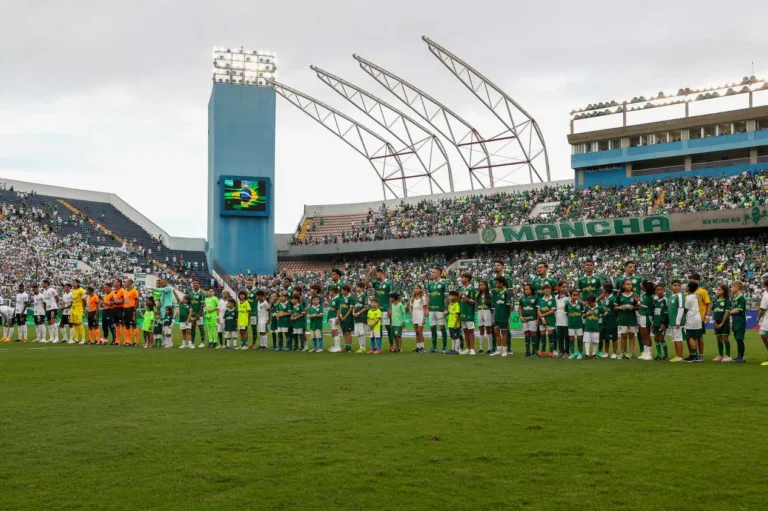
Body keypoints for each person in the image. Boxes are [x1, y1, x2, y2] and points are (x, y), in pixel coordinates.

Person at [366, 267, 393, 351]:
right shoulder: (376, 283)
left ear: (381, 273)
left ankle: (391, 345)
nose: (375, 276)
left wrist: (390, 309)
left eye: (376, 274)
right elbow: (366, 283)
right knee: (379, 329)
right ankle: (378, 347)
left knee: (389, 328)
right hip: (377, 310)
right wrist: (369, 273)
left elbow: (391, 297)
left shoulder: (389, 283)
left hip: (385, 309)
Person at [689, 273, 711, 361]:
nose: (691, 282)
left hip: (699, 317)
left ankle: (701, 355)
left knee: (699, 336)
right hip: (690, 318)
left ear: (697, 281)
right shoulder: (688, 291)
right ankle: (692, 354)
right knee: (690, 337)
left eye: (692, 280)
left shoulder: (702, 291)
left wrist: (707, 316)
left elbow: (708, 304)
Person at [615, 279, 638, 359]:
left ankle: (631, 352)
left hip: (632, 319)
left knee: (631, 335)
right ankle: (622, 352)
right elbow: (615, 307)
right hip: (622, 319)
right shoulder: (619, 295)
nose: (629, 286)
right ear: (623, 286)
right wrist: (621, 307)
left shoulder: (634, 295)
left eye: (630, 284)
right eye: (627, 284)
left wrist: (633, 307)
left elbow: (638, 307)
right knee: (623, 336)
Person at [427, 266, 449, 353]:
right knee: (432, 328)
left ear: (439, 273)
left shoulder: (444, 283)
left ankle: (444, 347)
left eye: (433, 272)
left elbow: (447, 298)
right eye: (431, 272)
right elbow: (429, 297)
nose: (432, 273)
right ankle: (434, 347)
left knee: (442, 327)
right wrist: (427, 308)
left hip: (440, 309)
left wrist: (446, 309)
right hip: (432, 309)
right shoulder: (430, 284)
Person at [490, 276, 512, 357]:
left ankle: (504, 350)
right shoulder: (497, 292)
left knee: (504, 332)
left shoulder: (506, 292)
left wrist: (508, 316)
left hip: (503, 315)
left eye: (497, 283)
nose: (496, 285)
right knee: (496, 331)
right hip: (497, 314)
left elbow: (508, 306)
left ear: (501, 283)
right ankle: (498, 350)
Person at [683, 282, 703, 363]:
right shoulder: (696, 296)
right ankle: (694, 355)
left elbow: (686, 309)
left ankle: (694, 355)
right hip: (697, 318)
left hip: (691, 318)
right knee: (696, 337)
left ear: (688, 288)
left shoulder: (688, 297)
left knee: (691, 337)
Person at [667, 279, 686, 363]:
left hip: (677, 322)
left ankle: (679, 356)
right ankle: (677, 355)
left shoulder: (680, 296)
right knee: (675, 339)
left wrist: (678, 321)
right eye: (675, 285)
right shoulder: (671, 296)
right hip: (672, 321)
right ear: (671, 286)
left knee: (678, 339)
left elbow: (681, 308)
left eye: (678, 285)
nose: (677, 287)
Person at [712, 284, 732, 362]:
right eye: (717, 289)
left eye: (719, 290)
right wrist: (714, 321)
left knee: (725, 338)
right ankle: (720, 355)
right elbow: (713, 312)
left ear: (724, 291)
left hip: (724, 322)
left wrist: (722, 323)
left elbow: (727, 313)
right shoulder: (715, 301)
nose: (717, 291)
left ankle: (728, 355)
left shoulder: (727, 301)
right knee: (718, 338)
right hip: (716, 322)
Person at [458, 273, 476, 355]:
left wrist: (464, 297)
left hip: (469, 313)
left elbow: (473, 302)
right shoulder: (461, 288)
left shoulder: (472, 289)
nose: (461, 279)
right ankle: (468, 348)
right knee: (465, 331)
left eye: (462, 277)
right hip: (463, 312)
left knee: (470, 331)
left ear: (467, 279)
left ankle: (472, 349)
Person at [637, 281, 656, 361]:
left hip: (646, 316)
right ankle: (645, 352)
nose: (640, 285)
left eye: (641, 285)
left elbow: (644, 307)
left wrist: (637, 301)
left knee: (646, 335)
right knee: (643, 335)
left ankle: (649, 354)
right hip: (643, 316)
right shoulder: (646, 295)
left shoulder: (647, 296)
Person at [536, 283, 556, 357]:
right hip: (542, 320)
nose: (547, 290)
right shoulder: (540, 299)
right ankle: (543, 351)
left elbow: (553, 310)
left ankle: (551, 352)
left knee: (550, 336)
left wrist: (543, 315)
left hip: (550, 320)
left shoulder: (552, 299)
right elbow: (538, 309)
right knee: (542, 336)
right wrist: (542, 318)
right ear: (543, 290)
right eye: (545, 289)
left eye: (549, 288)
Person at [729, 281, 747, 363]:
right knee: (737, 339)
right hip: (736, 321)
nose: (731, 288)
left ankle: (742, 357)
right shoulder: (735, 298)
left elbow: (738, 310)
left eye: (732, 287)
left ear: (737, 287)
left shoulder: (741, 298)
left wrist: (727, 313)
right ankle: (739, 356)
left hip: (740, 321)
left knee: (740, 339)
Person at [598, 283, 617, 358]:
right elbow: (604, 309)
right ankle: (606, 352)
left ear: (606, 290)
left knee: (614, 338)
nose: (602, 290)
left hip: (612, 322)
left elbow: (615, 310)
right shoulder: (605, 298)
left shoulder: (613, 298)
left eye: (603, 289)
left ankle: (614, 353)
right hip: (605, 321)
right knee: (606, 338)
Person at [519, 283, 538, 357]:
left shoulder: (535, 298)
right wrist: (521, 317)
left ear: (531, 290)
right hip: (524, 319)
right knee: (526, 334)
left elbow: (538, 309)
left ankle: (534, 351)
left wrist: (537, 319)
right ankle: (527, 351)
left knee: (533, 334)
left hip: (532, 319)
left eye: (527, 289)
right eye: (524, 289)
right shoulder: (522, 298)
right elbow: (520, 308)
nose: (525, 290)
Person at [565, 289, 584, 359]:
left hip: (579, 324)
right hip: (571, 325)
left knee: (579, 339)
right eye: (574, 295)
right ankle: (572, 353)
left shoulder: (580, 303)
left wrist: (576, 316)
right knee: (571, 339)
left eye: (577, 295)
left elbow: (582, 312)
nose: (575, 297)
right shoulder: (567, 303)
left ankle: (580, 353)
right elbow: (566, 313)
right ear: (570, 295)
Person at [474, 281, 492, 354]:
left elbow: (492, 305)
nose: (481, 286)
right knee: (481, 330)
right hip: (479, 311)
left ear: (486, 286)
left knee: (488, 330)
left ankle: (489, 348)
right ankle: (481, 348)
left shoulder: (489, 295)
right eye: (480, 285)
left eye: (483, 285)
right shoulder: (477, 294)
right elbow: (476, 304)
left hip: (487, 311)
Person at [652, 284, 669, 360]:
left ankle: (666, 356)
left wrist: (663, 323)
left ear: (664, 291)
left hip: (662, 324)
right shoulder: (655, 301)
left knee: (661, 339)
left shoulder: (665, 300)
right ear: (655, 291)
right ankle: (659, 355)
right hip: (655, 323)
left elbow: (666, 313)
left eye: (661, 290)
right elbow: (654, 313)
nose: (659, 291)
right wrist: (652, 322)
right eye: (658, 290)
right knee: (656, 339)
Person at [189, 280, 207, 348]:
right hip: (192, 314)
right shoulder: (190, 293)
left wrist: (199, 314)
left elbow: (202, 304)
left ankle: (202, 342)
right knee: (192, 328)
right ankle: (193, 342)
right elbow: (190, 304)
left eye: (197, 283)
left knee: (201, 327)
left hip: (199, 314)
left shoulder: (202, 293)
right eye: (194, 283)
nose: (195, 284)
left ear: (199, 285)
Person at [409, 284, 427, 353]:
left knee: (420, 332)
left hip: (421, 317)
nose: (415, 289)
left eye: (417, 288)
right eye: (414, 288)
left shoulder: (423, 298)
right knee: (416, 332)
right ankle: (418, 347)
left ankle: (422, 347)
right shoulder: (412, 298)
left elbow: (425, 308)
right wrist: (411, 317)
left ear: (420, 289)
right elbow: (411, 308)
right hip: (414, 317)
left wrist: (424, 318)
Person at [352, 282, 369, 354]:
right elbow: (354, 306)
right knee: (358, 333)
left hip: (362, 316)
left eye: (358, 287)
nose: (356, 288)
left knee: (362, 332)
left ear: (362, 288)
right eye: (356, 287)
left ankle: (363, 347)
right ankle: (360, 347)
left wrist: (359, 313)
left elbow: (366, 307)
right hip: (356, 317)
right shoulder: (356, 296)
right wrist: (353, 312)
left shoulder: (364, 295)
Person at [554, 281, 569, 357]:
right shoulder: (555, 297)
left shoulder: (569, 297)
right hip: (558, 320)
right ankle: (561, 351)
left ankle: (567, 352)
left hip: (566, 320)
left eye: (566, 287)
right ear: (559, 287)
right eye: (563, 287)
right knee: (560, 337)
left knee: (567, 337)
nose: (565, 288)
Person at [123, 279, 140, 346]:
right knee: (126, 325)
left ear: (130, 283)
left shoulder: (134, 291)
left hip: (131, 309)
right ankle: (128, 341)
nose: (125, 283)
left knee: (133, 325)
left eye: (126, 282)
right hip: (125, 309)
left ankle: (136, 342)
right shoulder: (125, 292)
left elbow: (137, 302)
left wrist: (134, 310)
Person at [70, 279, 86, 346]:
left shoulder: (81, 290)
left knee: (79, 323)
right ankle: (76, 338)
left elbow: (84, 300)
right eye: (73, 282)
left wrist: (83, 309)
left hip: (79, 308)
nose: (73, 284)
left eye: (74, 282)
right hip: (73, 308)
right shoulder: (73, 290)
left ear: (78, 283)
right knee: (74, 323)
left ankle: (83, 339)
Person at [245, 278, 260, 346]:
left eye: (250, 283)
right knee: (244, 328)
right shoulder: (245, 291)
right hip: (245, 313)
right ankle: (244, 343)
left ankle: (253, 343)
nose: (248, 284)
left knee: (253, 328)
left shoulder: (256, 291)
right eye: (247, 283)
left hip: (253, 312)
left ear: (252, 283)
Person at [327, 287, 342, 352]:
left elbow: (339, 309)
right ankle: (335, 346)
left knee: (335, 331)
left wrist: (337, 317)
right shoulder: (332, 299)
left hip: (334, 317)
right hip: (330, 317)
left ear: (333, 292)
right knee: (333, 332)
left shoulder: (338, 298)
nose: (329, 293)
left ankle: (338, 347)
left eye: (330, 291)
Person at [112, 279, 126, 346]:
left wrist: (118, 302)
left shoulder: (122, 290)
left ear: (119, 283)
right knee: (117, 324)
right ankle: (117, 340)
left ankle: (126, 340)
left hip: (121, 308)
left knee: (123, 324)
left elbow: (124, 299)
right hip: (115, 308)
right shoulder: (114, 291)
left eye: (115, 282)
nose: (114, 283)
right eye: (114, 282)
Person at [758, 279, 768, 366]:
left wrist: (758, 319)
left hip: (767, 321)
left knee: (764, 335)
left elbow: (762, 310)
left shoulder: (766, 296)